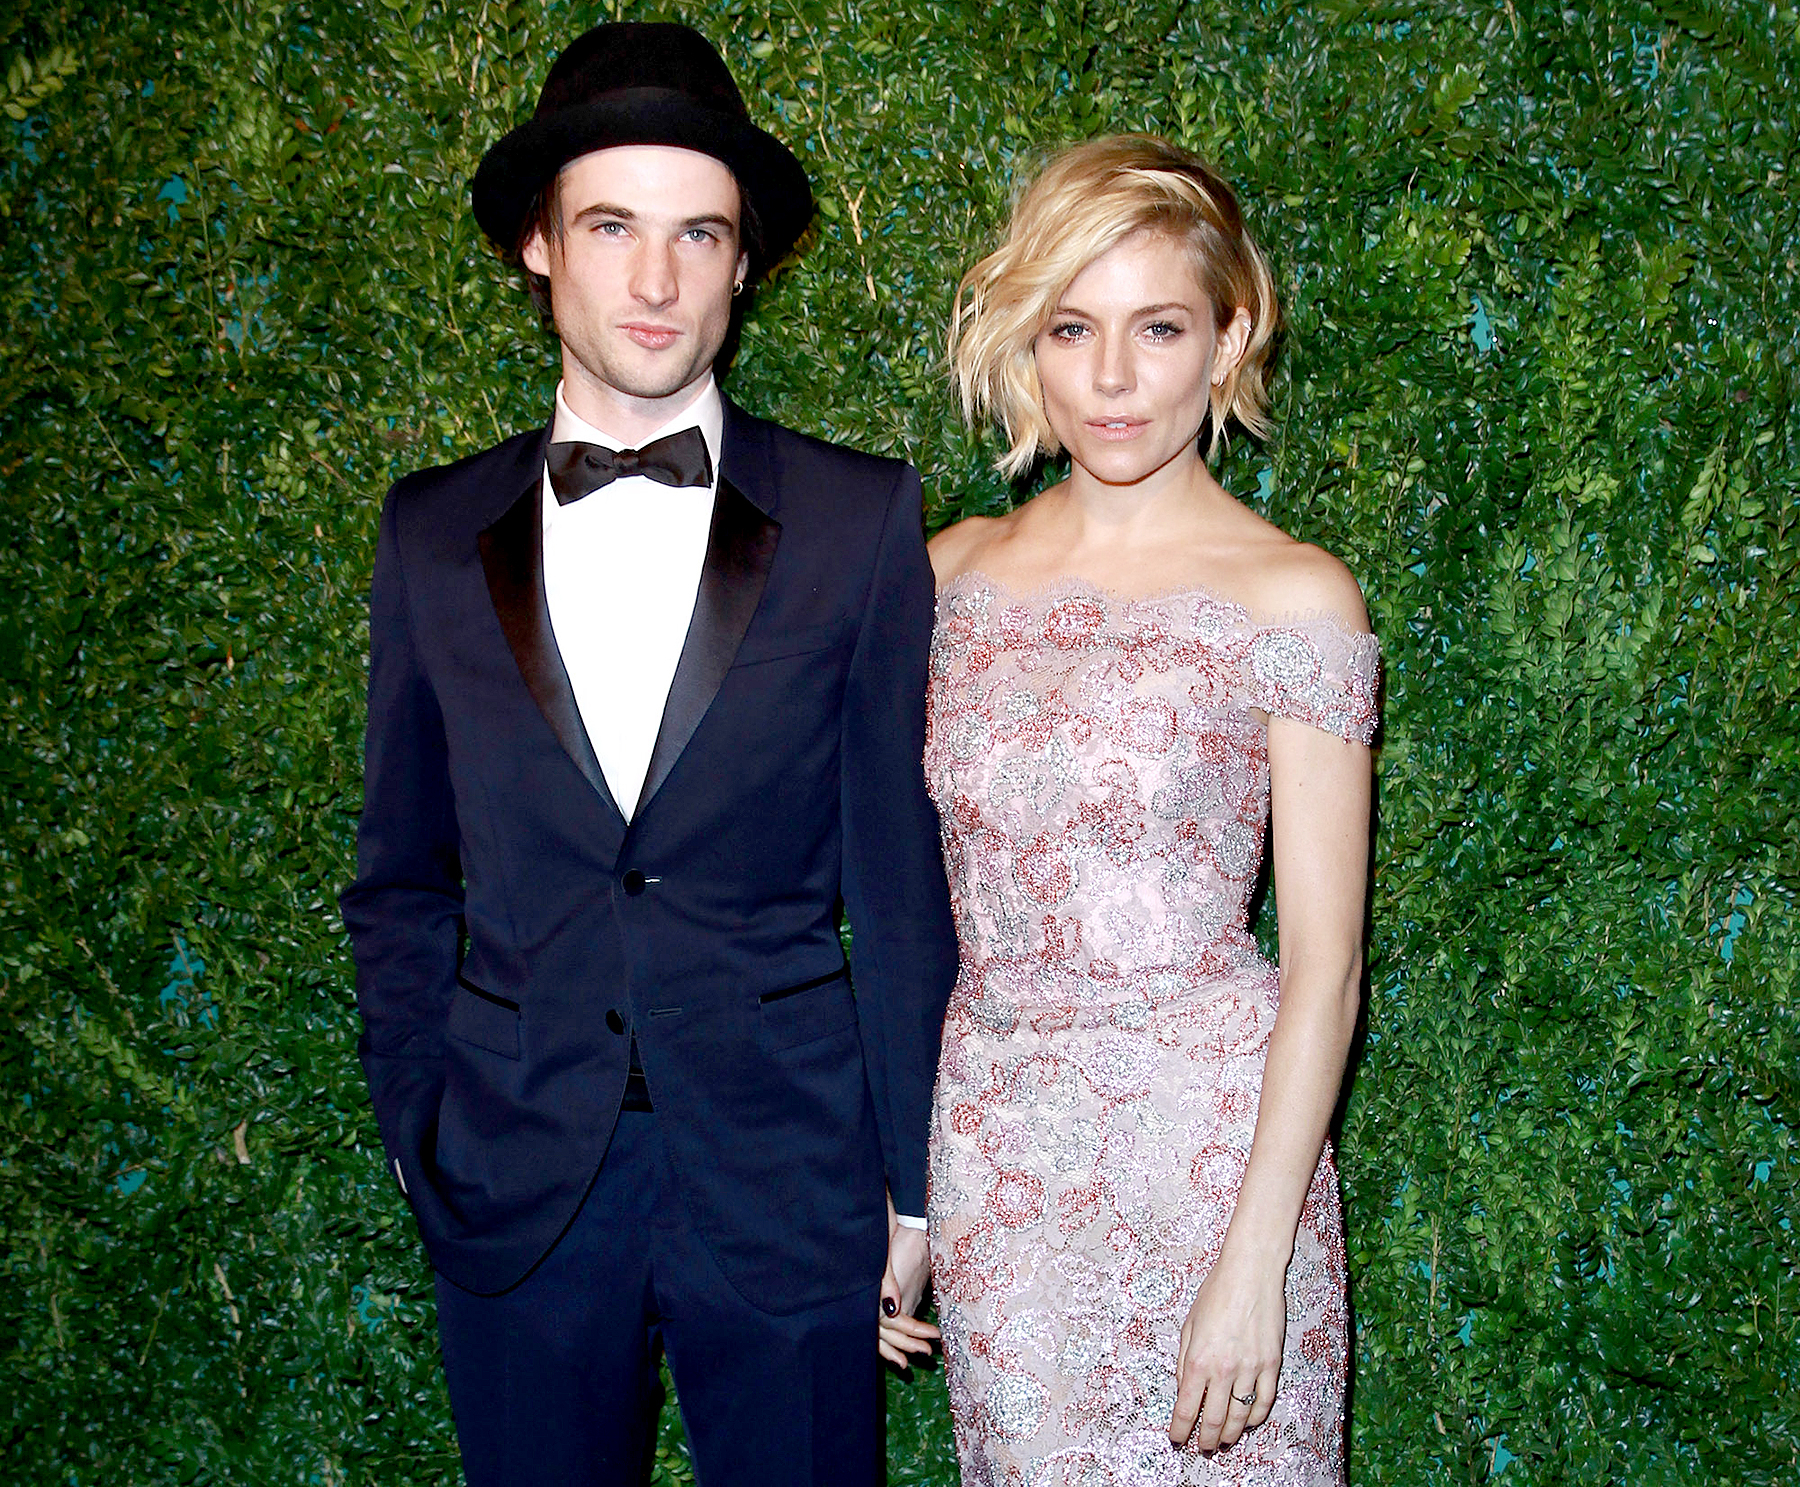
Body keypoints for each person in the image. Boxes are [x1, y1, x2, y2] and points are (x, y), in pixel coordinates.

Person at [338, 22, 956, 1487]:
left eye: (701, 233)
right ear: (540, 246)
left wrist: (919, 1187)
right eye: (613, 227)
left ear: (746, 262)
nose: (659, 280)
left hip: (793, 1179)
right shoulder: (428, 534)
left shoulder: (863, 520)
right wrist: (423, 1135)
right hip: (513, 1176)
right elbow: (399, 880)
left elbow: (901, 875)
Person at [920, 135, 1378, 1485]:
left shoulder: (1296, 598)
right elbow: (876, 905)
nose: (1112, 378)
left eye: (1159, 327)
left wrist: (1257, 1265)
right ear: (1027, 344)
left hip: (1220, 1162)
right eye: (1072, 327)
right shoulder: (941, 581)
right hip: (1001, 1171)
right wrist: (897, 1205)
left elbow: (1328, 972)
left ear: (1230, 341)